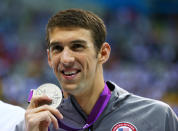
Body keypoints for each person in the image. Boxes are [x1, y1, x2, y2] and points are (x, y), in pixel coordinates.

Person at [17, 9, 177, 131]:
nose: (66, 59)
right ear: (49, 58)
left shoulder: (157, 117)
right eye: (57, 48)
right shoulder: (36, 124)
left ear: (103, 53)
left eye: (77, 46)